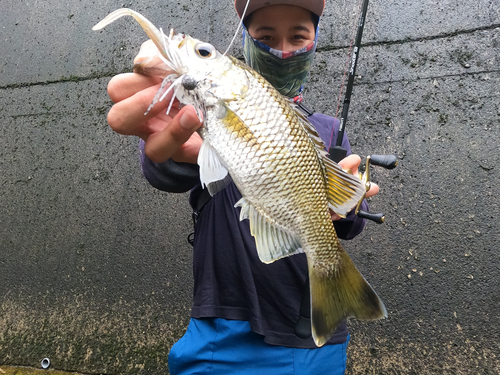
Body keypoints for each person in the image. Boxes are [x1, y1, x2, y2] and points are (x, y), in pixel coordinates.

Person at [106, 0, 379, 373]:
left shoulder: (331, 132)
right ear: (245, 41)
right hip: (220, 324)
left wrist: (349, 204)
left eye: (298, 35)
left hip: (309, 336)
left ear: (315, 39)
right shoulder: (199, 117)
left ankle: (333, 279)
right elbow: (165, 170)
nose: (282, 49)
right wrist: (175, 153)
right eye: (265, 36)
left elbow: (350, 221)